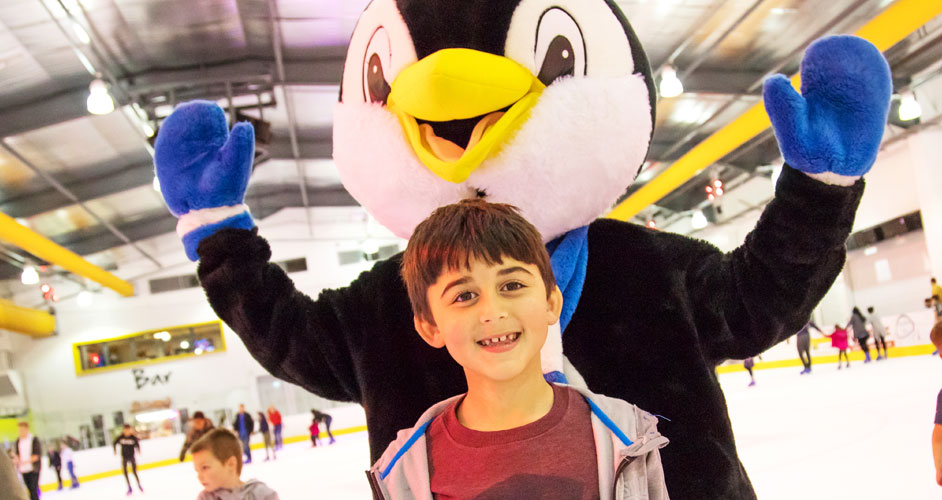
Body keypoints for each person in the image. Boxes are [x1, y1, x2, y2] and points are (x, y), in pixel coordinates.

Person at [368, 200, 669, 498]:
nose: (493, 312)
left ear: (551, 303)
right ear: (431, 327)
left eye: (511, 286)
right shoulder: (402, 469)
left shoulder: (628, 432)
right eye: (465, 295)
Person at [190, 429, 279, 500]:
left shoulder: (262, 495)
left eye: (205, 468)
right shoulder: (205, 498)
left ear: (231, 464)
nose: (199, 476)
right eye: (197, 470)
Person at [12, 422, 41, 500]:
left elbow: (36, 455)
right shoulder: (18, 441)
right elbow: (17, 454)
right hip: (23, 469)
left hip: (33, 469)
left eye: (22, 429)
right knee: (29, 489)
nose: (20, 431)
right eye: (19, 430)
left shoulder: (33, 439)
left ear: (26, 429)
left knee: (33, 489)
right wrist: (16, 460)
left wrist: (25, 461)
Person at [113, 424, 143, 495]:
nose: (127, 432)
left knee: (134, 471)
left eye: (128, 430)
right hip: (124, 457)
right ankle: (129, 487)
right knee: (125, 472)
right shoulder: (121, 437)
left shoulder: (133, 438)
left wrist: (139, 450)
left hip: (132, 457)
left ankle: (139, 485)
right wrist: (114, 451)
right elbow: (114, 443)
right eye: (125, 430)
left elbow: (137, 444)